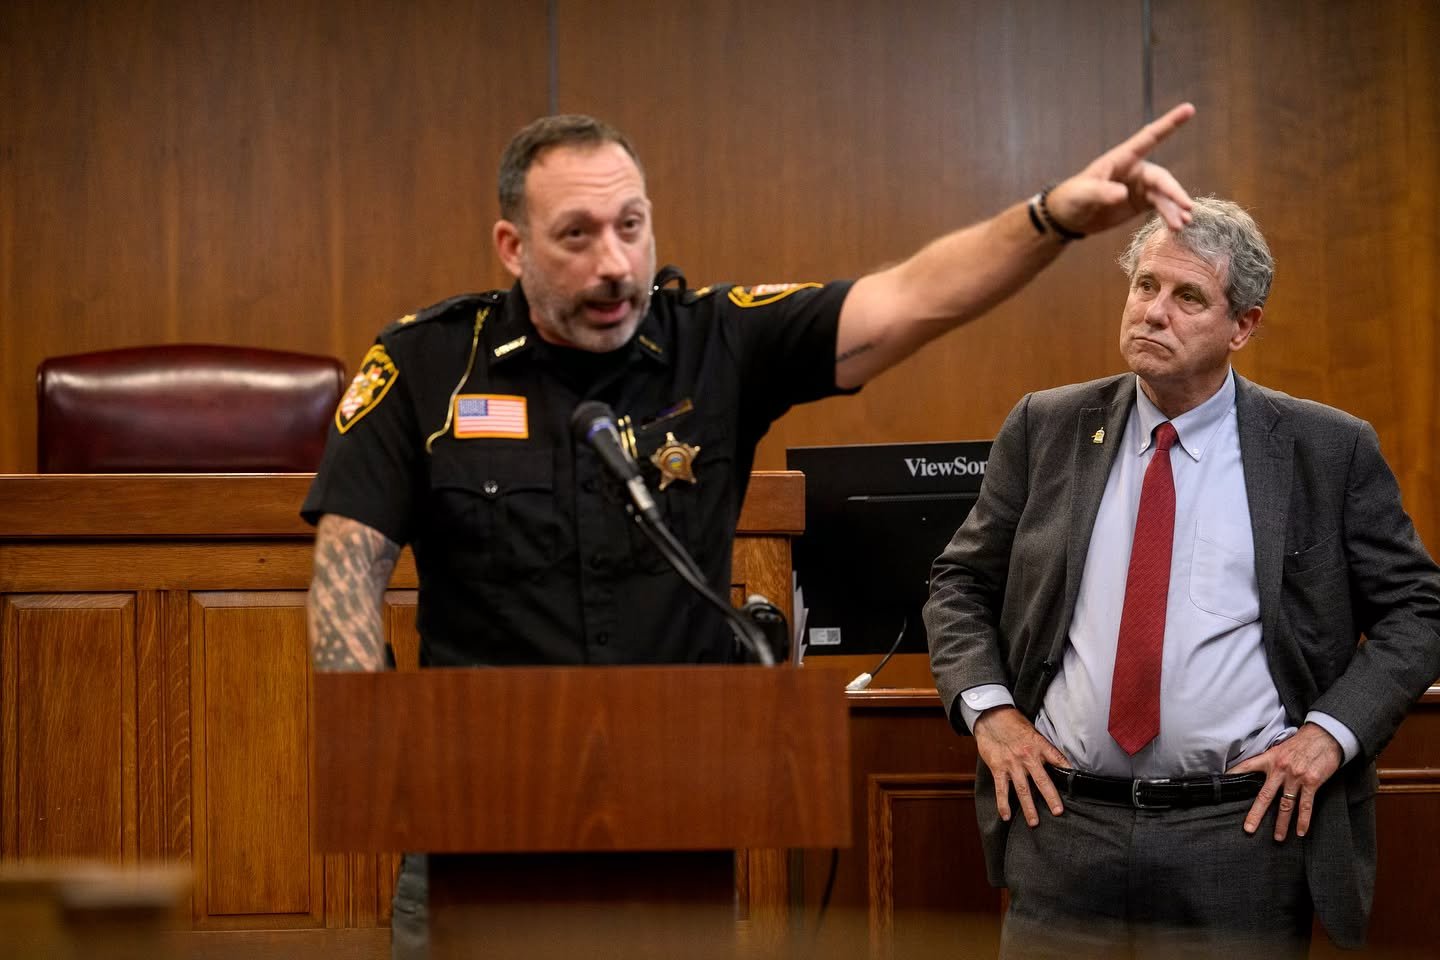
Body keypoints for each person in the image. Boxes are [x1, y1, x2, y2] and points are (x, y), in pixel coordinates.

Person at [302, 107, 1199, 956]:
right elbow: (347, 576)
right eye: (577, 235)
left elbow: (913, 299)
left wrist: (1052, 219)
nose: (616, 263)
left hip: (677, 823)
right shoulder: (423, 366)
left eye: (632, 225)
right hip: (472, 829)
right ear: (513, 245)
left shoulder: (716, 344)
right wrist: (392, 770)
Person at [924, 197, 1440, 958]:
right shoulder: (1047, 426)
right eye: (1145, 286)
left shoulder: (1324, 449)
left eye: (1188, 296)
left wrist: (1330, 736)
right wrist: (991, 714)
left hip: (1242, 835)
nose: (1153, 313)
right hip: (1064, 825)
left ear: (1244, 326)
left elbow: (1419, 611)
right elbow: (959, 583)